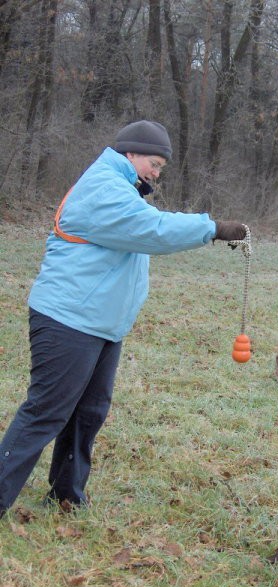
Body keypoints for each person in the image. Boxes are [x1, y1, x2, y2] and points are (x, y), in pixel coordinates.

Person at [0, 120, 248, 518]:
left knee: (89, 412)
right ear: (130, 154)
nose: (156, 173)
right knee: (45, 411)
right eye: (154, 163)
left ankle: (67, 495)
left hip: (100, 324)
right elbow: (152, 229)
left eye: (161, 168)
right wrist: (212, 228)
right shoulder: (104, 188)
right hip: (68, 319)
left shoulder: (122, 189)